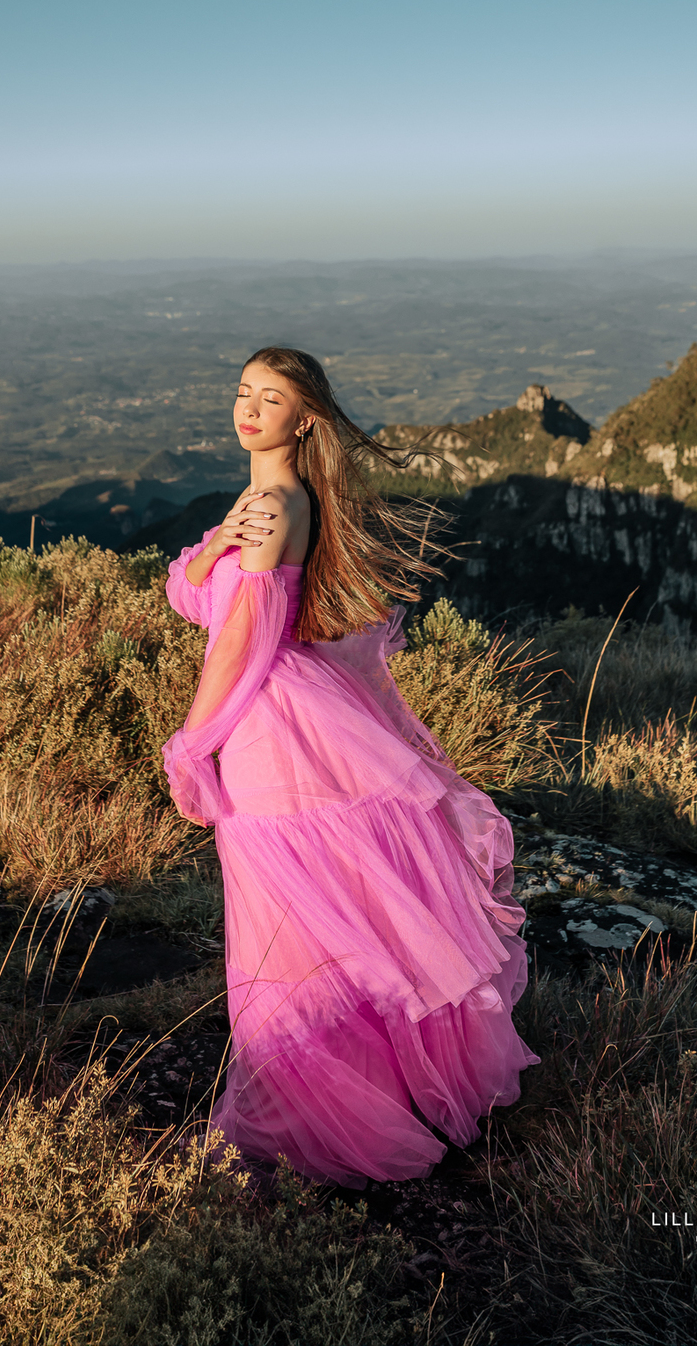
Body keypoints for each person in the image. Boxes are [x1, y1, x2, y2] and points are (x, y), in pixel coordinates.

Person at [161, 345, 537, 1187]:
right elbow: (194, 596)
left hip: (268, 726)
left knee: (286, 927)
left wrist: (195, 741)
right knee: (331, 910)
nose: (251, 407)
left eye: (273, 397)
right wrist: (218, 540)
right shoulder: (263, 501)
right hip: (294, 716)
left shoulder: (275, 500)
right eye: (244, 391)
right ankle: (367, 1087)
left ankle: (317, 1117)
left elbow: (238, 644)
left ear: (305, 418)